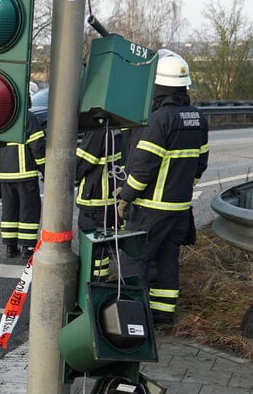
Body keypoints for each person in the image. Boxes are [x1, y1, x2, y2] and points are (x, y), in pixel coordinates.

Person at [116, 49, 209, 325]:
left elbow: (144, 165)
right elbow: (200, 164)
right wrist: (182, 188)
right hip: (179, 209)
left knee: (136, 260)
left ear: (158, 86)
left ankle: (134, 319)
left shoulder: (160, 120)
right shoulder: (197, 118)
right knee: (168, 260)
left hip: (151, 209)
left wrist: (126, 196)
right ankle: (162, 314)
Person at [74, 127, 122, 279]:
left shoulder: (98, 130)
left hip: (95, 200)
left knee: (92, 248)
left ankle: (91, 286)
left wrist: (69, 177)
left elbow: (81, 163)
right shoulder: (118, 126)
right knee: (102, 248)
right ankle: (100, 282)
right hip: (110, 198)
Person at [0, 109, 46, 258]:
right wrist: (44, 168)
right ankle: (28, 248)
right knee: (29, 209)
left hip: (5, 173)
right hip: (25, 173)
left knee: (9, 209)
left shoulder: (1, 115)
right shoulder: (28, 117)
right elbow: (37, 145)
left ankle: (10, 248)